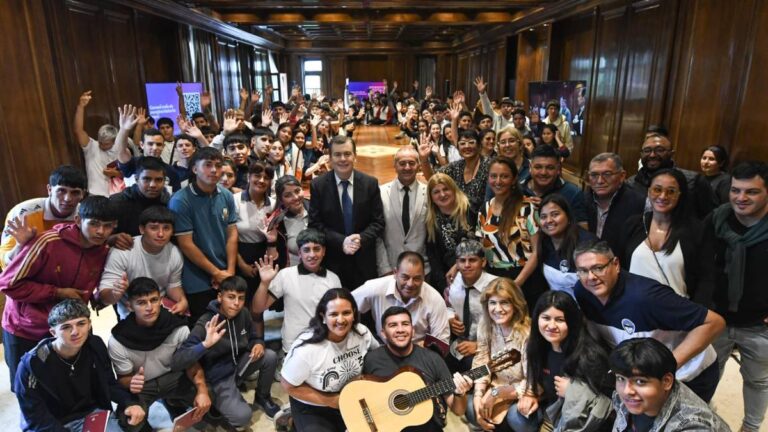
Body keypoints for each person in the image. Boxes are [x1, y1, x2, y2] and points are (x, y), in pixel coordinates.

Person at [572, 239, 725, 402]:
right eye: (583, 271)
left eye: (598, 268)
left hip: (689, 374)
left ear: (616, 264)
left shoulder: (647, 297)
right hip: (641, 375)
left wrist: (666, 367)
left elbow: (714, 323)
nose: (591, 277)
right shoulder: (583, 291)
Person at [1, 196, 119, 390]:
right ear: (78, 220)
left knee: (68, 386)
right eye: (94, 224)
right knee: (28, 388)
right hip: (27, 328)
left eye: (108, 226)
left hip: (70, 331)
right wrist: (57, 292)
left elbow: (89, 295)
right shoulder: (48, 242)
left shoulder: (103, 251)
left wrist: (110, 295)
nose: (101, 231)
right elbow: (8, 284)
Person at [15, 299, 145, 431]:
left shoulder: (95, 345)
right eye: (66, 327)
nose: (75, 332)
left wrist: (129, 403)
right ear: (53, 332)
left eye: (81, 324)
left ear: (89, 325)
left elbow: (108, 382)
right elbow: (35, 415)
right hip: (52, 423)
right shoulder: (33, 364)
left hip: (92, 414)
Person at [708, 161, 768, 432]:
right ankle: (699, 420)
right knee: (707, 374)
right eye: (736, 190)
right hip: (715, 319)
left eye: (751, 192)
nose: (741, 198)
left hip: (758, 324)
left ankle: (751, 427)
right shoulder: (717, 219)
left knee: (758, 381)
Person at [172, 276, 280, 426]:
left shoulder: (244, 314)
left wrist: (258, 343)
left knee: (270, 356)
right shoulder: (206, 322)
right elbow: (178, 360)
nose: (236, 303)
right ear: (220, 297)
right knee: (243, 417)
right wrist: (205, 344)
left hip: (239, 365)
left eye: (241, 298)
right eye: (231, 297)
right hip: (219, 378)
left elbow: (254, 337)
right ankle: (216, 404)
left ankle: (262, 397)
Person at [108, 278, 210, 431]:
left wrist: (202, 390)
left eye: (154, 300)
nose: (149, 307)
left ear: (161, 300)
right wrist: (131, 382)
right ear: (130, 306)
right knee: (129, 420)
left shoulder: (178, 327)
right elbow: (123, 379)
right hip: (144, 387)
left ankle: (174, 403)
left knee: (210, 394)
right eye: (141, 302)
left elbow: (191, 364)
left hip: (173, 377)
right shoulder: (118, 340)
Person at [280, 288, 380, 431]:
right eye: (333, 314)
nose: (341, 320)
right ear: (323, 317)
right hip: (314, 406)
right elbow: (287, 385)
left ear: (354, 314)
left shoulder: (362, 332)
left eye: (346, 313)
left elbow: (377, 356)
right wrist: (330, 400)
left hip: (353, 397)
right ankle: (292, 420)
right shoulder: (307, 349)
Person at [362, 307, 475, 431]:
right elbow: (359, 394)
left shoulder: (433, 359)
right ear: (383, 332)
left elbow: (458, 410)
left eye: (405, 324)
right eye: (393, 325)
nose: (400, 330)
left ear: (413, 330)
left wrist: (460, 394)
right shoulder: (371, 359)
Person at [618, 169, 715, 301]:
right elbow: (619, 267)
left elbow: (706, 278)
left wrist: (697, 313)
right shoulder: (633, 224)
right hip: (633, 307)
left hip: (677, 311)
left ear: (680, 195)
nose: (663, 196)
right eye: (657, 189)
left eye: (671, 191)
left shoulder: (696, 230)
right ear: (649, 191)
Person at [524, 291, 614, 431]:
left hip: (583, 424)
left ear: (572, 321)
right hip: (553, 417)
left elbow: (609, 403)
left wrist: (573, 391)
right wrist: (530, 394)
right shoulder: (537, 347)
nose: (552, 326)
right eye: (546, 318)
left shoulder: (590, 356)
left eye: (560, 320)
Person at [169, 146, 238, 323]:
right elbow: (186, 244)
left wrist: (229, 272)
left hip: (225, 271)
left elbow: (231, 235)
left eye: (218, 165)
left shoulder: (226, 195)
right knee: (204, 327)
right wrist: (216, 272)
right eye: (208, 165)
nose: (214, 170)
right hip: (197, 278)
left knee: (230, 322)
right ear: (194, 169)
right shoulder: (180, 200)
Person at [309, 135, 384, 290]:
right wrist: (341, 241)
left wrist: (361, 238)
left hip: (364, 261)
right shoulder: (318, 186)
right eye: (337, 154)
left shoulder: (370, 183)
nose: (343, 159)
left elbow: (378, 222)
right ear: (330, 158)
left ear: (354, 156)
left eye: (347, 154)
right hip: (333, 261)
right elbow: (315, 224)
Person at [609, 338, 730, 431]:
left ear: (666, 381)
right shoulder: (627, 399)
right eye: (621, 378)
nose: (626, 391)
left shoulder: (692, 425)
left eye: (640, 381)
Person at [253, 228, 341, 354]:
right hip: (294, 346)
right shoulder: (286, 275)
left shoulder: (333, 279)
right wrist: (264, 283)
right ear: (299, 253)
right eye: (306, 250)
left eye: (316, 249)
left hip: (325, 344)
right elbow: (257, 308)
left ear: (324, 252)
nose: (312, 255)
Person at [468, 278, 535, 432]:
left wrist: (495, 393)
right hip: (497, 384)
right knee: (472, 408)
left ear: (515, 305)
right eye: (493, 303)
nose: (498, 309)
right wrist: (479, 394)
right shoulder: (486, 324)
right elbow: (481, 360)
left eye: (504, 302)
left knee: (517, 419)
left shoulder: (527, 333)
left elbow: (532, 380)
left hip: (523, 390)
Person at [98, 206, 188, 319]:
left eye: (166, 228)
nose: (161, 234)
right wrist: (115, 293)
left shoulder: (174, 252)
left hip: (160, 308)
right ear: (142, 229)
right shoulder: (122, 251)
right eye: (154, 228)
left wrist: (182, 300)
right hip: (130, 313)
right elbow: (104, 298)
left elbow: (173, 285)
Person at [478, 157, 544, 309]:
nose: (498, 181)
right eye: (493, 176)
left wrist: (515, 284)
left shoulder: (527, 207)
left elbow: (536, 252)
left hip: (524, 279)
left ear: (514, 179)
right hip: (494, 277)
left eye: (504, 176)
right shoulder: (485, 208)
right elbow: (483, 246)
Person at [353, 251, 450, 345]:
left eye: (416, 278)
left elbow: (442, 342)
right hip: (384, 346)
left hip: (419, 351)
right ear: (395, 273)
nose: (410, 284)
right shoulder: (375, 287)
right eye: (405, 277)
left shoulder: (435, 299)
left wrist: (424, 347)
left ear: (424, 276)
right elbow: (345, 304)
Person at [0, 165, 86, 269]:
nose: (68, 198)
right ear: (49, 190)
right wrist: (20, 245)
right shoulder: (22, 213)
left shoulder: (85, 216)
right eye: (61, 191)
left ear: (83, 194)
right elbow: (6, 264)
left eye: (75, 193)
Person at [627, 129, 716, 219]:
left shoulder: (694, 181)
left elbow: (710, 217)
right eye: (647, 150)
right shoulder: (631, 183)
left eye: (659, 150)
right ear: (641, 154)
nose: (652, 155)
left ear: (671, 153)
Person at [445, 239, 497, 372]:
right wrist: (450, 319)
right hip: (460, 344)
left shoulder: (496, 287)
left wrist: (479, 345)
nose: (467, 265)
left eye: (472, 260)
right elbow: (448, 306)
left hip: (492, 347)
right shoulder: (454, 282)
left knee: (474, 371)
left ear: (483, 262)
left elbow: (510, 329)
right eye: (462, 261)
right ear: (456, 263)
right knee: (440, 366)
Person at [376, 147, 430, 276]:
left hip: (422, 269)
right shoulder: (380, 193)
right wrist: (385, 267)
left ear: (418, 166)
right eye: (402, 163)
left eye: (411, 163)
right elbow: (377, 235)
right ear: (395, 165)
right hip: (390, 268)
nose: (407, 167)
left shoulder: (429, 193)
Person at [583, 153, 645, 255]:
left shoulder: (639, 203)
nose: (600, 181)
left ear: (622, 176)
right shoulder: (582, 200)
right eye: (594, 175)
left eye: (607, 174)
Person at [425, 173, 477, 292]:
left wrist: (458, 265)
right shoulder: (431, 221)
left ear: (453, 189)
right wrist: (445, 287)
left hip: (477, 275)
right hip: (450, 280)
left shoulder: (471, 208)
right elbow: (434, 258)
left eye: (445, 189)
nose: (442, 194)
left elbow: (481, 243)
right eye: (436, 192)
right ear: (431, 197)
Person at [538, 194, 596, 298]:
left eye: (555, 214)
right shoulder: (543, 242)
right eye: (543, 217)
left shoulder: (588, 244)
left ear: (568, 216)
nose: (549, 220)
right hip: (557, 308)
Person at [420, 129, 491, 214]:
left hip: (484, 219)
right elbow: (433, 179)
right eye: (462, 143)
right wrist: (424, 159)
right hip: (460, 217)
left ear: (479, 146)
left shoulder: (489, 165)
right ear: (458, 148)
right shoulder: (456, 166)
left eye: (471, 142)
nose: (467, 146)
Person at [108, 156, 171, 249]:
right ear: (137, 179)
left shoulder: (170, 204)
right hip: (123, 256)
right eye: (147, 179)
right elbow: (99, 235)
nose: (153, 185)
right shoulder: (117, 203)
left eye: (158, 180)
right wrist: (111, 239)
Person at [114, 106, 181, 192]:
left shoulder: (171, 171)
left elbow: (175, 198)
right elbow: (120, 151)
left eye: (159, 144)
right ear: (142, 145)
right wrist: (124, 129)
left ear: (163, 146)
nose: (154, 147)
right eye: (150, 144)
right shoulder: (133, 163)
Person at [522, 145, 588, 225]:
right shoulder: (517, 189)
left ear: (558, 169)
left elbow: (583, 232)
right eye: (538, 167)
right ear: (530, 168)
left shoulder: (573, 194)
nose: (543, 172)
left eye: (550, 168)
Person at [73, 90, 121, 197]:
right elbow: (78, 130)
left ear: (114, 141)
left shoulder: (121, 150)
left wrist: (116, 174)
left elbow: (131, 174)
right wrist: (81, 106)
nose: (102, 145)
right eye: (100, 142)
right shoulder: (92, 146)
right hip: (95, 195)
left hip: (116, 196)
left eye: (106, 144)